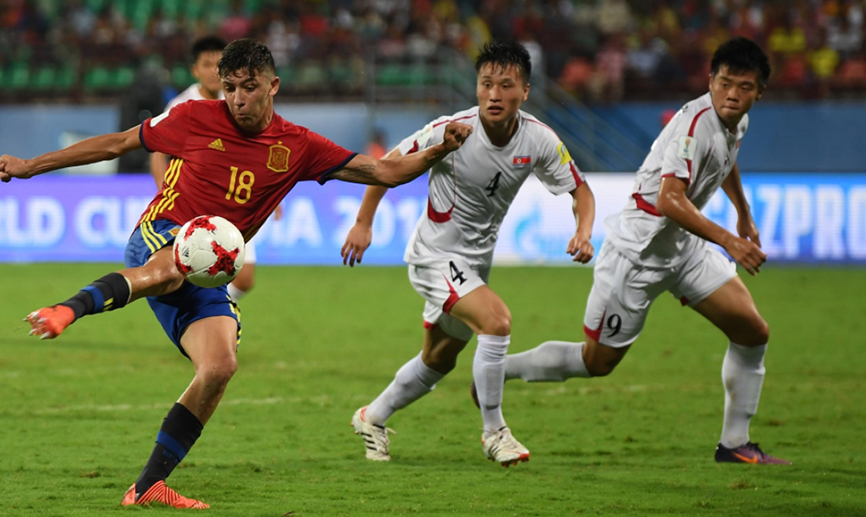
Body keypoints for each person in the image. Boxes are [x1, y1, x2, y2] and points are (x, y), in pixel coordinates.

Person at [0, 39, 471, 508]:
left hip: (210, 267)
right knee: (171, 269)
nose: (238, 99)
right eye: (229, 88)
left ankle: (147, 486)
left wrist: (439, 150)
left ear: (273, 86)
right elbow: (118, 143)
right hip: (160, 232)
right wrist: (30, 166)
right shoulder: (192, 117)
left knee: (220, 366)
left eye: (249, 87)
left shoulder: (299, 145)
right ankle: (69, 309)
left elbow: (385, 172)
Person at [495, 37, 790, 465]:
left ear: (759, 92)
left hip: (683, 247)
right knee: (596, 362)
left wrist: (743, 213)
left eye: (744, 87)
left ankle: (734, 444)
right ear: (710, 80)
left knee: (752, 331)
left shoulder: (735, 122)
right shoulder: (694, 126)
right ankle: (500, 370)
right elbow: (669, 199)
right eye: (725, 83)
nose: (732, 94)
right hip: (637, 253)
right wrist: (730, 239)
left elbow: (725, 159)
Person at [341, 40, 596, 467]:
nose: (494, 94)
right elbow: (386, 165)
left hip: (475, 263)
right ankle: (495, 432)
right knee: (496, 322)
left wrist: (583, 231)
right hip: (435, 255)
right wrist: (363, 223)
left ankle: (373, 417)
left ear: (525, 91)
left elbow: (581, 190)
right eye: (486, 84)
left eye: (506, 85)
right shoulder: (450, 129)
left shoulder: (539, 139)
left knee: (437, 360)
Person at [149, 35, 267, 303]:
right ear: (195, 70)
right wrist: (165, 192)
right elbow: (158, 151)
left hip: (235, 200)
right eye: (206, 64)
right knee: (196, 271)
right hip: (195, 202)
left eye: (219, 65)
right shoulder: (182, 105)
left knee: (245, 278)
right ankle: (208, 317)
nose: (214, 71)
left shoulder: (239, 101)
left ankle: (214, 310)